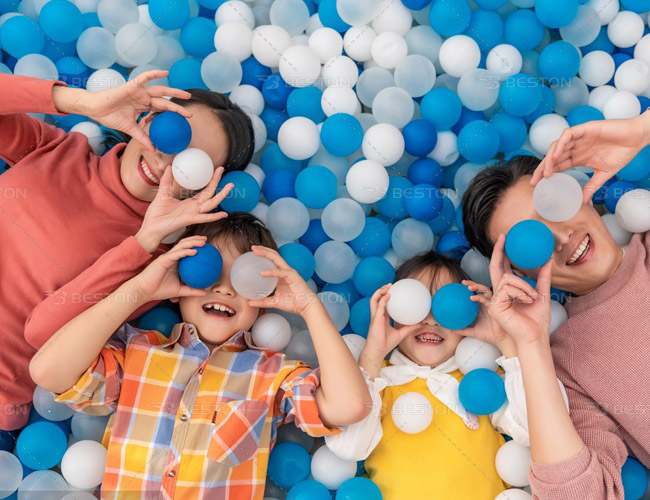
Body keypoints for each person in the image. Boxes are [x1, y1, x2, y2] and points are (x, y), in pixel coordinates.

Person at [29, 213, 371, 499]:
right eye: (209, 273)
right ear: (181, 279)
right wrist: (137, 291)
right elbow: (48, 371)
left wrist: (310, 307)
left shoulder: (271, 375)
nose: (224, 289)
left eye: (244, 279)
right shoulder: (138, 354)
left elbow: (351, 406)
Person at [0, 69, 253, 430]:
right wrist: (82, 102)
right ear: (148, 117)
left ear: (205, 189)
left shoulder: (153, 265)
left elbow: (41, 334)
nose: (164, 162)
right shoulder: (55, 149)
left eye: (190, 166)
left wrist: (142, 242)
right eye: (171, 136)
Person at [462, 108, 650, 500]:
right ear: (518, 273)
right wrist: (530, 346)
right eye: (531, 240)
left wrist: (638, 130)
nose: (560, 238)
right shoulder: (567, 365)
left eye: (551, 208)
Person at [324, 250, 567, 500]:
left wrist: (506, 342)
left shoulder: (482, 379)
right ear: (393, 313)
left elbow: (540, 431)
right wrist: (373, 354)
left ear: (468, 314)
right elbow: (347, 448)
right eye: (416, 305)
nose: (430, 320)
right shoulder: (379, 382)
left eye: (445, 307)